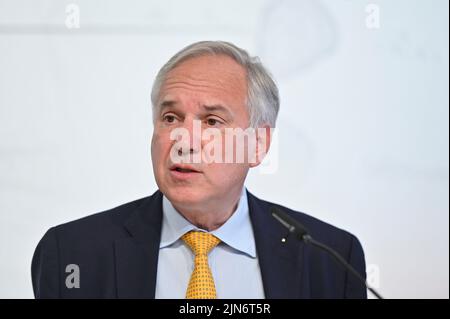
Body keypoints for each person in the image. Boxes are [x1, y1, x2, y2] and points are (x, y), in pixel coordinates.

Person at [31, 41, 367, 299]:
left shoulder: (331, 257)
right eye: (170, 118)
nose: (183, 141)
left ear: (258, 144)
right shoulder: (72, 252)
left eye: (212, 121)